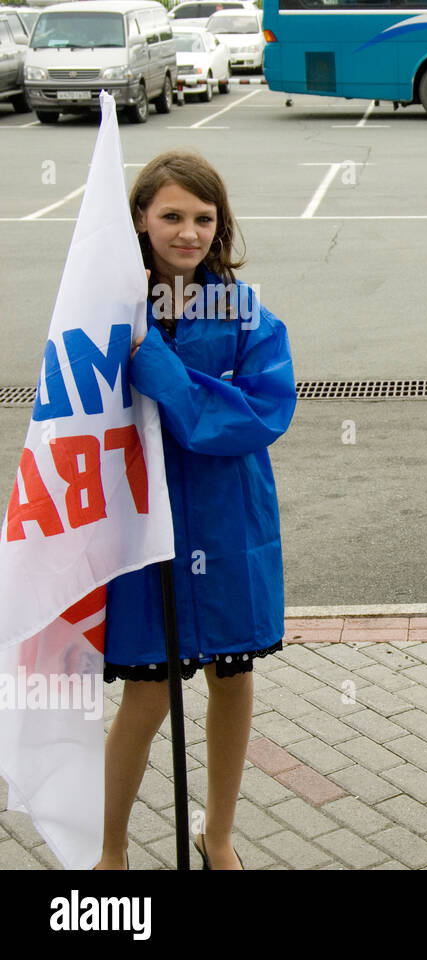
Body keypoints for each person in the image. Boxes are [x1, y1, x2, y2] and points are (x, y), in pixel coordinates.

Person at [94, 150, 296, 870]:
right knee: (147, 694)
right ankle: (111, 850)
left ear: (222, 223)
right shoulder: (107, 313)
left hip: (228, 519)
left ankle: (218, 835)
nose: (188, 231)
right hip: (143, 524)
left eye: (204, 217)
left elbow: (259, 414)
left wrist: (162, 371)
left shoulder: (245, 314)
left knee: (233, 680)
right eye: (171, 215)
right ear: (140, 218)